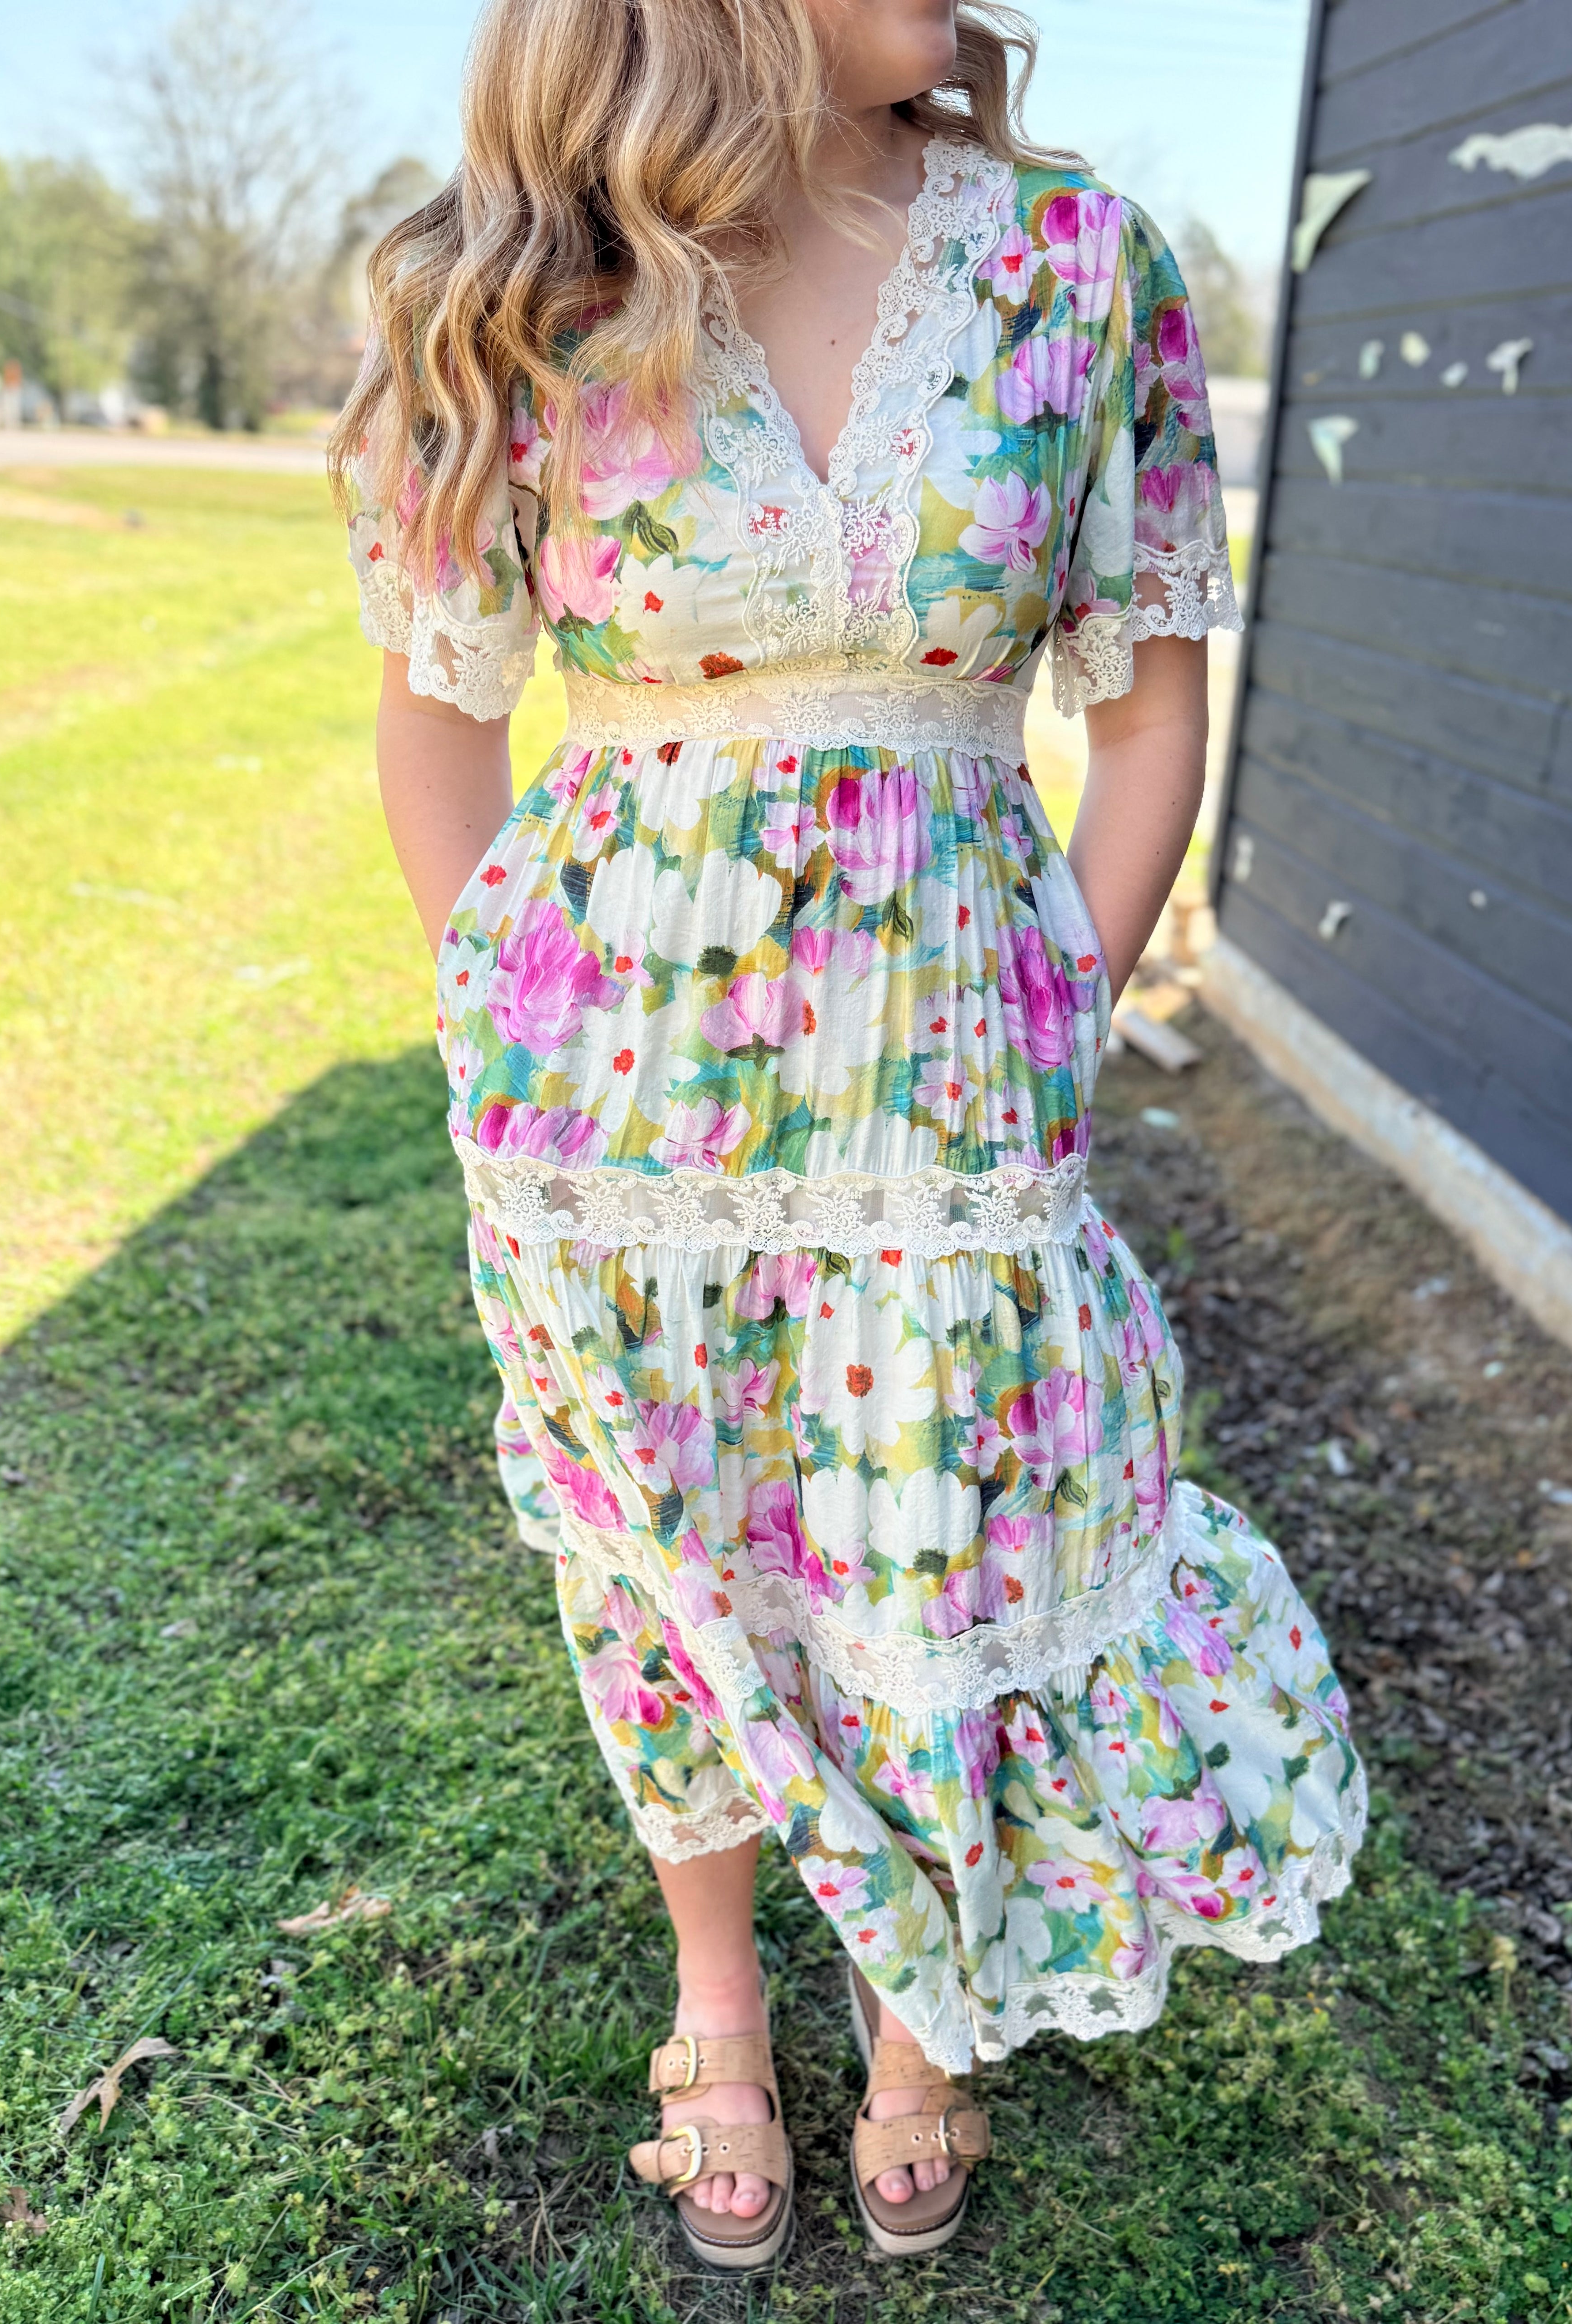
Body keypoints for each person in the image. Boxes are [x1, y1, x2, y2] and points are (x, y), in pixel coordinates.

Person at [332, 0, 1365, 2272]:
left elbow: (1155, 696)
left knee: (944, 1534)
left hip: (955, 1088)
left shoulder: (1083, 261)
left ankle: (914, 1994)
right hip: (602, 1102)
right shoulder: (513, 276)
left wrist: (1051, 1026)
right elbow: (441, 706)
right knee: (669, 1557)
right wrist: (494, 1038)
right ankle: (720, 1988)